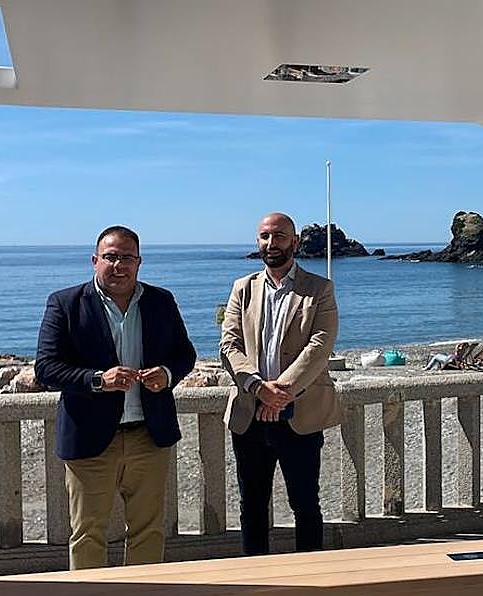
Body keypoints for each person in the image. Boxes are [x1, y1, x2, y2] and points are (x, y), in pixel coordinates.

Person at [35, 225, 196, 569]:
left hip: (148, 436)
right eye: (110, 257)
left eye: (127, 257)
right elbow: (46, 368)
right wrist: (97, 379)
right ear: (95, 261)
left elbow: (185, 355)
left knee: (149, 530)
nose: (118, 265)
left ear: (139, 263)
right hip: (91, 442)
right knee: (88, 531)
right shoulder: (65, 303)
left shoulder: (161, 301)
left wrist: (167, 375)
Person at [220, 212, 341, 555]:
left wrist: (281, 394)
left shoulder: (319, 289)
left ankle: (311, 582)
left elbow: (319, 346)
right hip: (249, 415)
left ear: (295, 241)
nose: (271, 243)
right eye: (264, 236)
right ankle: (257, 581)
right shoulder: (242, 289)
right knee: (252, 505)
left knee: (305, 504)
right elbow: (229, 346)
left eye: (279, 236)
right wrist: (260, 389)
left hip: (300, 416)